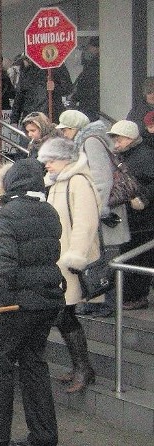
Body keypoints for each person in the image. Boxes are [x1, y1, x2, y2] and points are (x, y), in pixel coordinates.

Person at [0, 158, 64, 446]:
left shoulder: (8, 213)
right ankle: (44, 436)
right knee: (33, 363)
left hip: (21, 303)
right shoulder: (49, 211)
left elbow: (4, 262)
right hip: (48, 299)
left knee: (0, 362)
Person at [37, 137, 100, 393]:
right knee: (64, 315)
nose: (48, 165)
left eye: (51, 160)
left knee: (65, 314)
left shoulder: (78, 181)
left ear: (66, 159)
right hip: (60, 261)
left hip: (70, 262)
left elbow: (85, 223)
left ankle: (84, 369)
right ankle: (81, 368)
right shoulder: (58, 183)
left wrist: (76, 256)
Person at [55, 109, 130, 318]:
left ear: (74, 128)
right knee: (102, 258)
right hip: (104, 211)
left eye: (66, 129)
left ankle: (104, 302)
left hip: (105, 214)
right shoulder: (90, 139)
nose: (64, 134)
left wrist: (95, 208)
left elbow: (101, 179)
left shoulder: (90, 142)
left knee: (104, 259)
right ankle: (98, 300)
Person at [107, 120, 154, 310]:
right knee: (128, 255)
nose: (116, 143)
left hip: (143, 218)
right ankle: (129, 295)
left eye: (119, 139)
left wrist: (143, 198)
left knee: (139, 256)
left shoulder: (145, 157)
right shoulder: (121, 156)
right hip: (128, 215)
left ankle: (137, 296)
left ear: (130, 138)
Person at [10, 54, 72, 125]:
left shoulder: (56, 65)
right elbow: (20, 95)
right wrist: (14, 120)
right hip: (31, 118)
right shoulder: (26, 70)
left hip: (51, 117)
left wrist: (55, 87)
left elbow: (68, 88)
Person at [70, 36, 100, 121]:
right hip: (88, 104)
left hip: (90, 106)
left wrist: (75, 97)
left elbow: (85, 84)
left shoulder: (94, 66)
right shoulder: (90, 65)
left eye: (90, 47)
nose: (87, 51)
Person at [127, 77, 154, 149]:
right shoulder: (137, 110)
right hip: (143, 147)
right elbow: (129, 129)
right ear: (145, 94)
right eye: (149, 92)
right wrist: (146, 127)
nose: (153, 95)